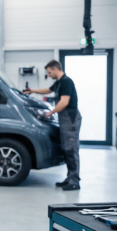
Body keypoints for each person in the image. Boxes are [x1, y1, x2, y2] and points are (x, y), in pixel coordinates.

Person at [24, 60, 81, 190]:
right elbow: (48, 90)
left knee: (71, 150)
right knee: (66, 150)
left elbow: (64, 102)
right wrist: (32, 91)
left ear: (56, 69)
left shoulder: (67, 82)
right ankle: (70, 178)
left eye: (49, 72)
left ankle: (75, 181)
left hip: (70, 119)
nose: (48, 75)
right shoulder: (60, 82)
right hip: (65, 119)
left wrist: (51, 112)